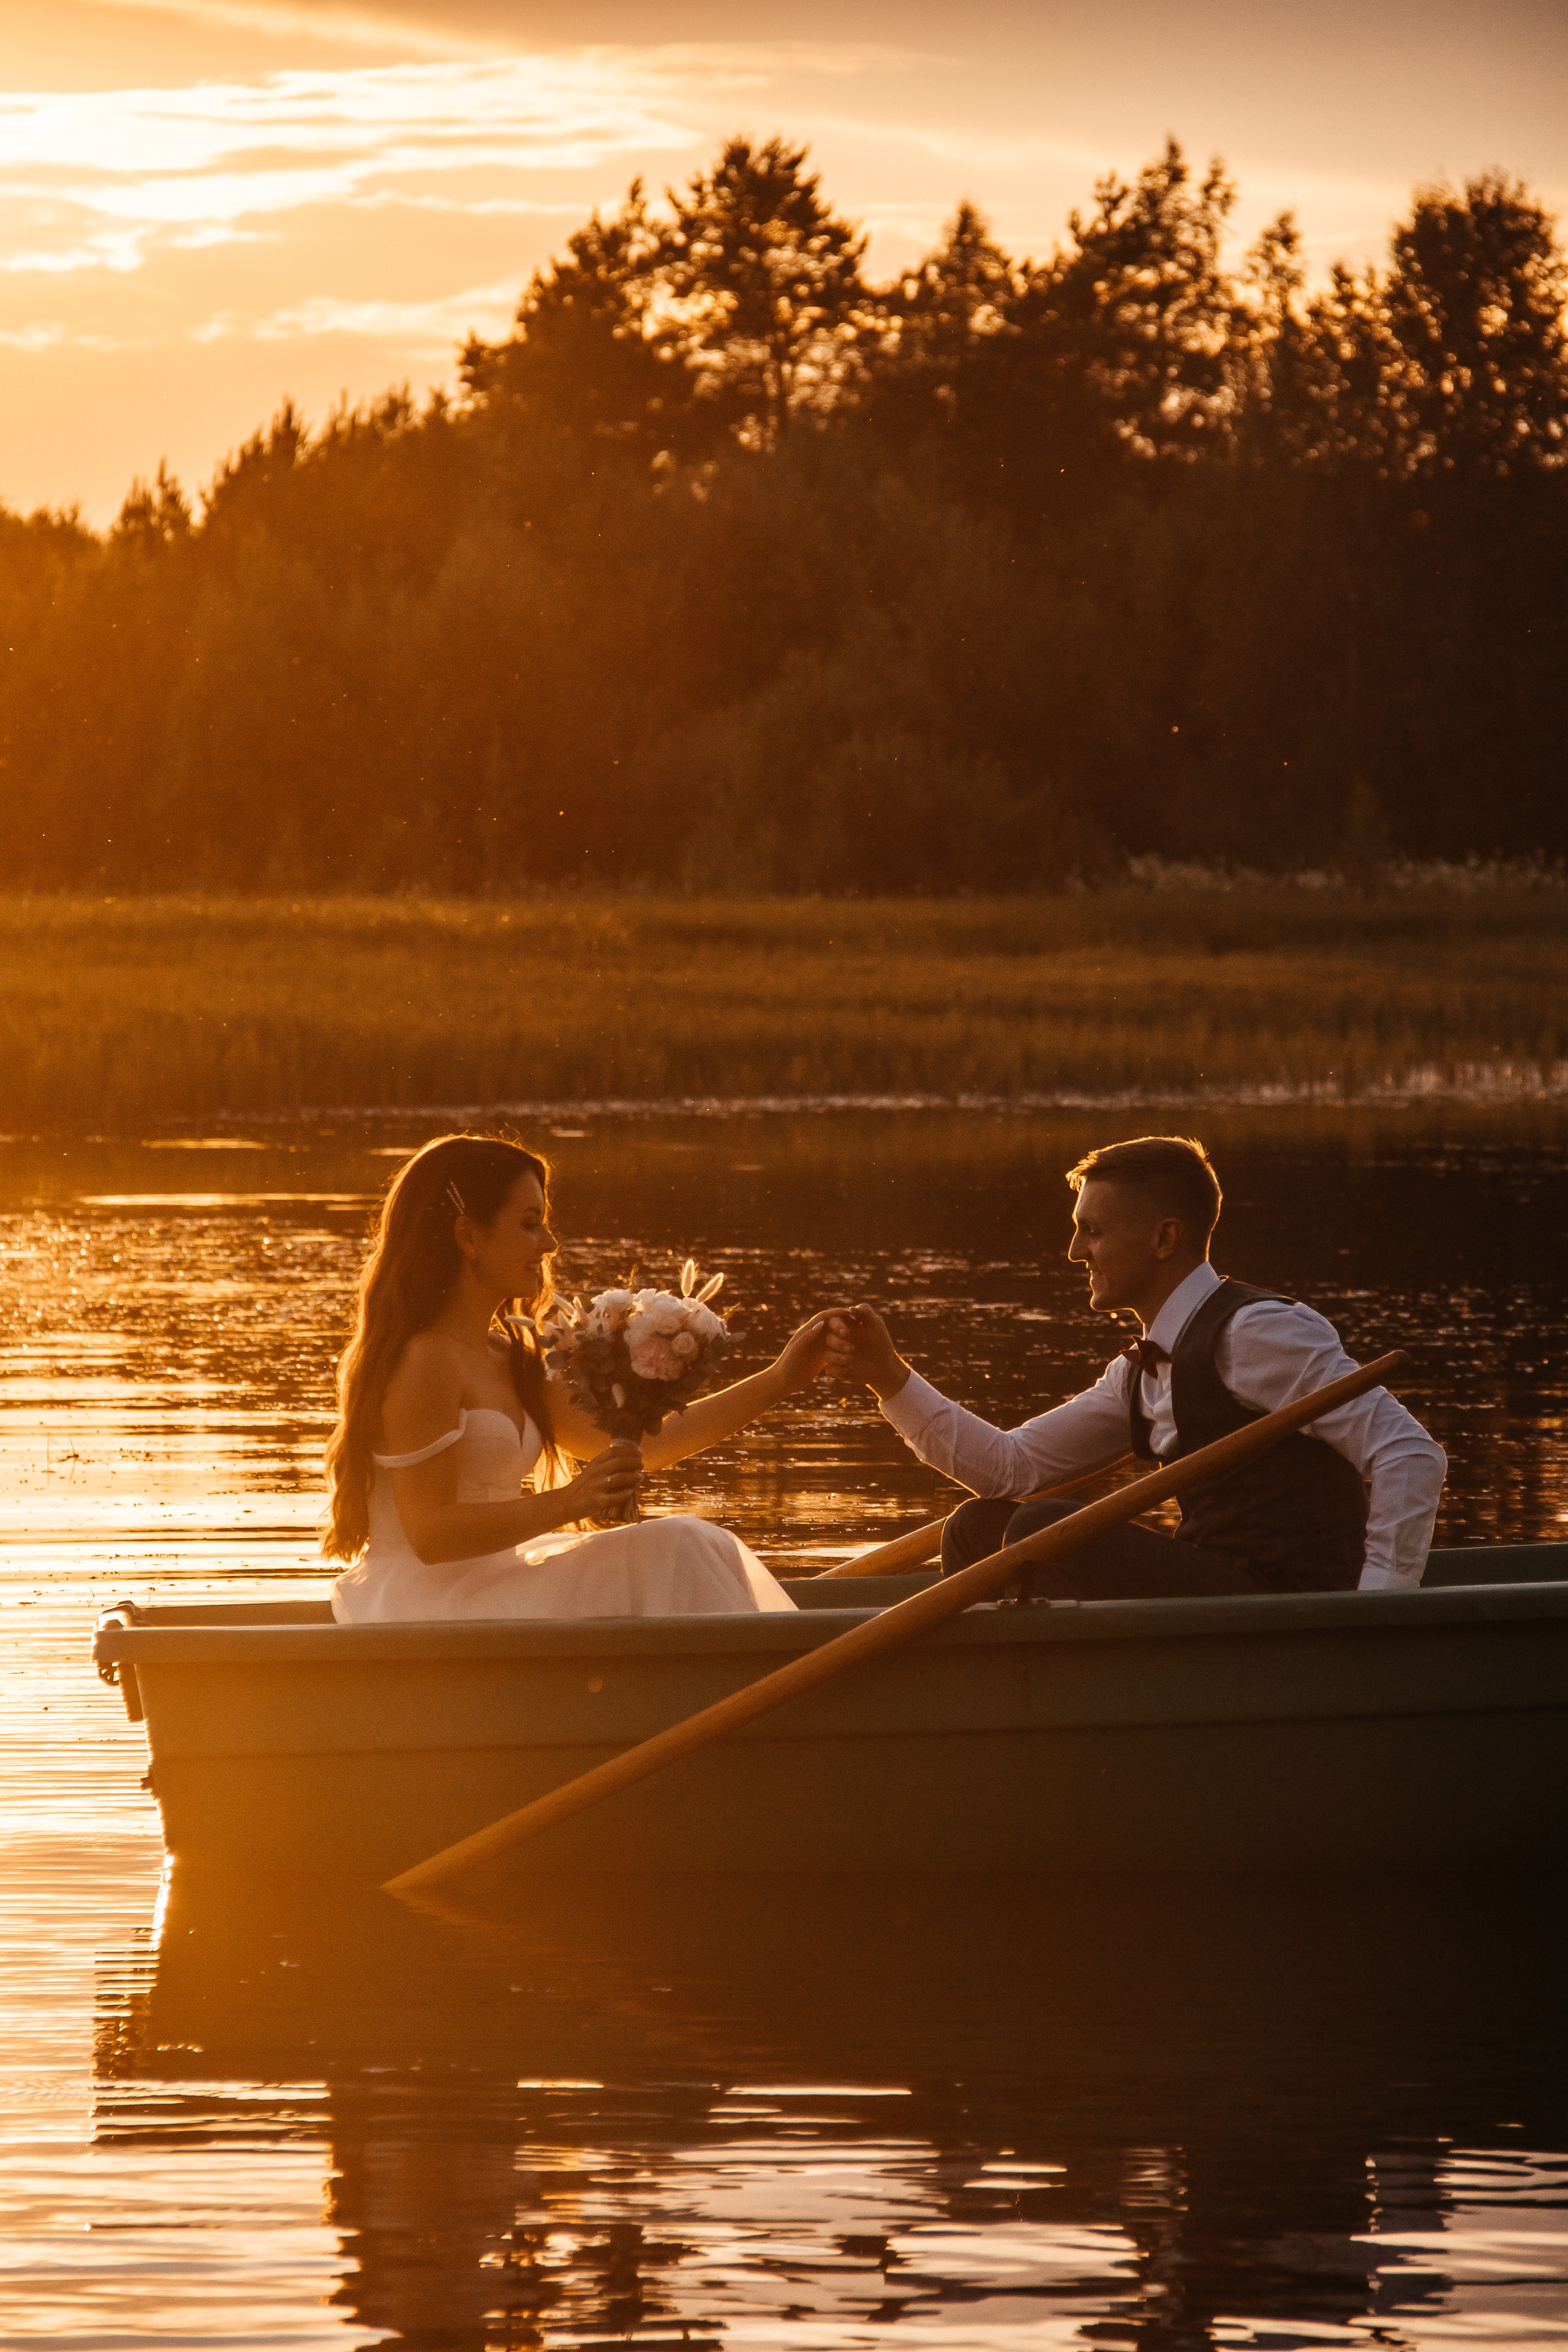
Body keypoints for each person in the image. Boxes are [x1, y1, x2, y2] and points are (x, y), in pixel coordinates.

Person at [823, 1134, 1446, 1600]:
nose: (1075, 1252)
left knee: (1042, 1524)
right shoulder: (1142, 1368)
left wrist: (1376, 1610)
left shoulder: (1255, 1333)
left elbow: (1408, 1453)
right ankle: (1006, 1690)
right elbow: (1009, 1469)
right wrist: (889, 1377)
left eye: (1092, 1231)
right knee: (977, 1527)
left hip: (1288, 1607)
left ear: (1164, 1239)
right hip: (1218, 1591)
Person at [325, 1131, 827, 1622]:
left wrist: (781, 1379)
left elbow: (645, 1446)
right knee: (678, 1546)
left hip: (495, 1586)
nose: (549, 1243)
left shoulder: (508, 1357)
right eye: (530, 1224)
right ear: (468, 1236)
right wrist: (570, 1501)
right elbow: (430, 1536)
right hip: (427, 1607)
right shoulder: (424, 1360)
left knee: (689, 1542)